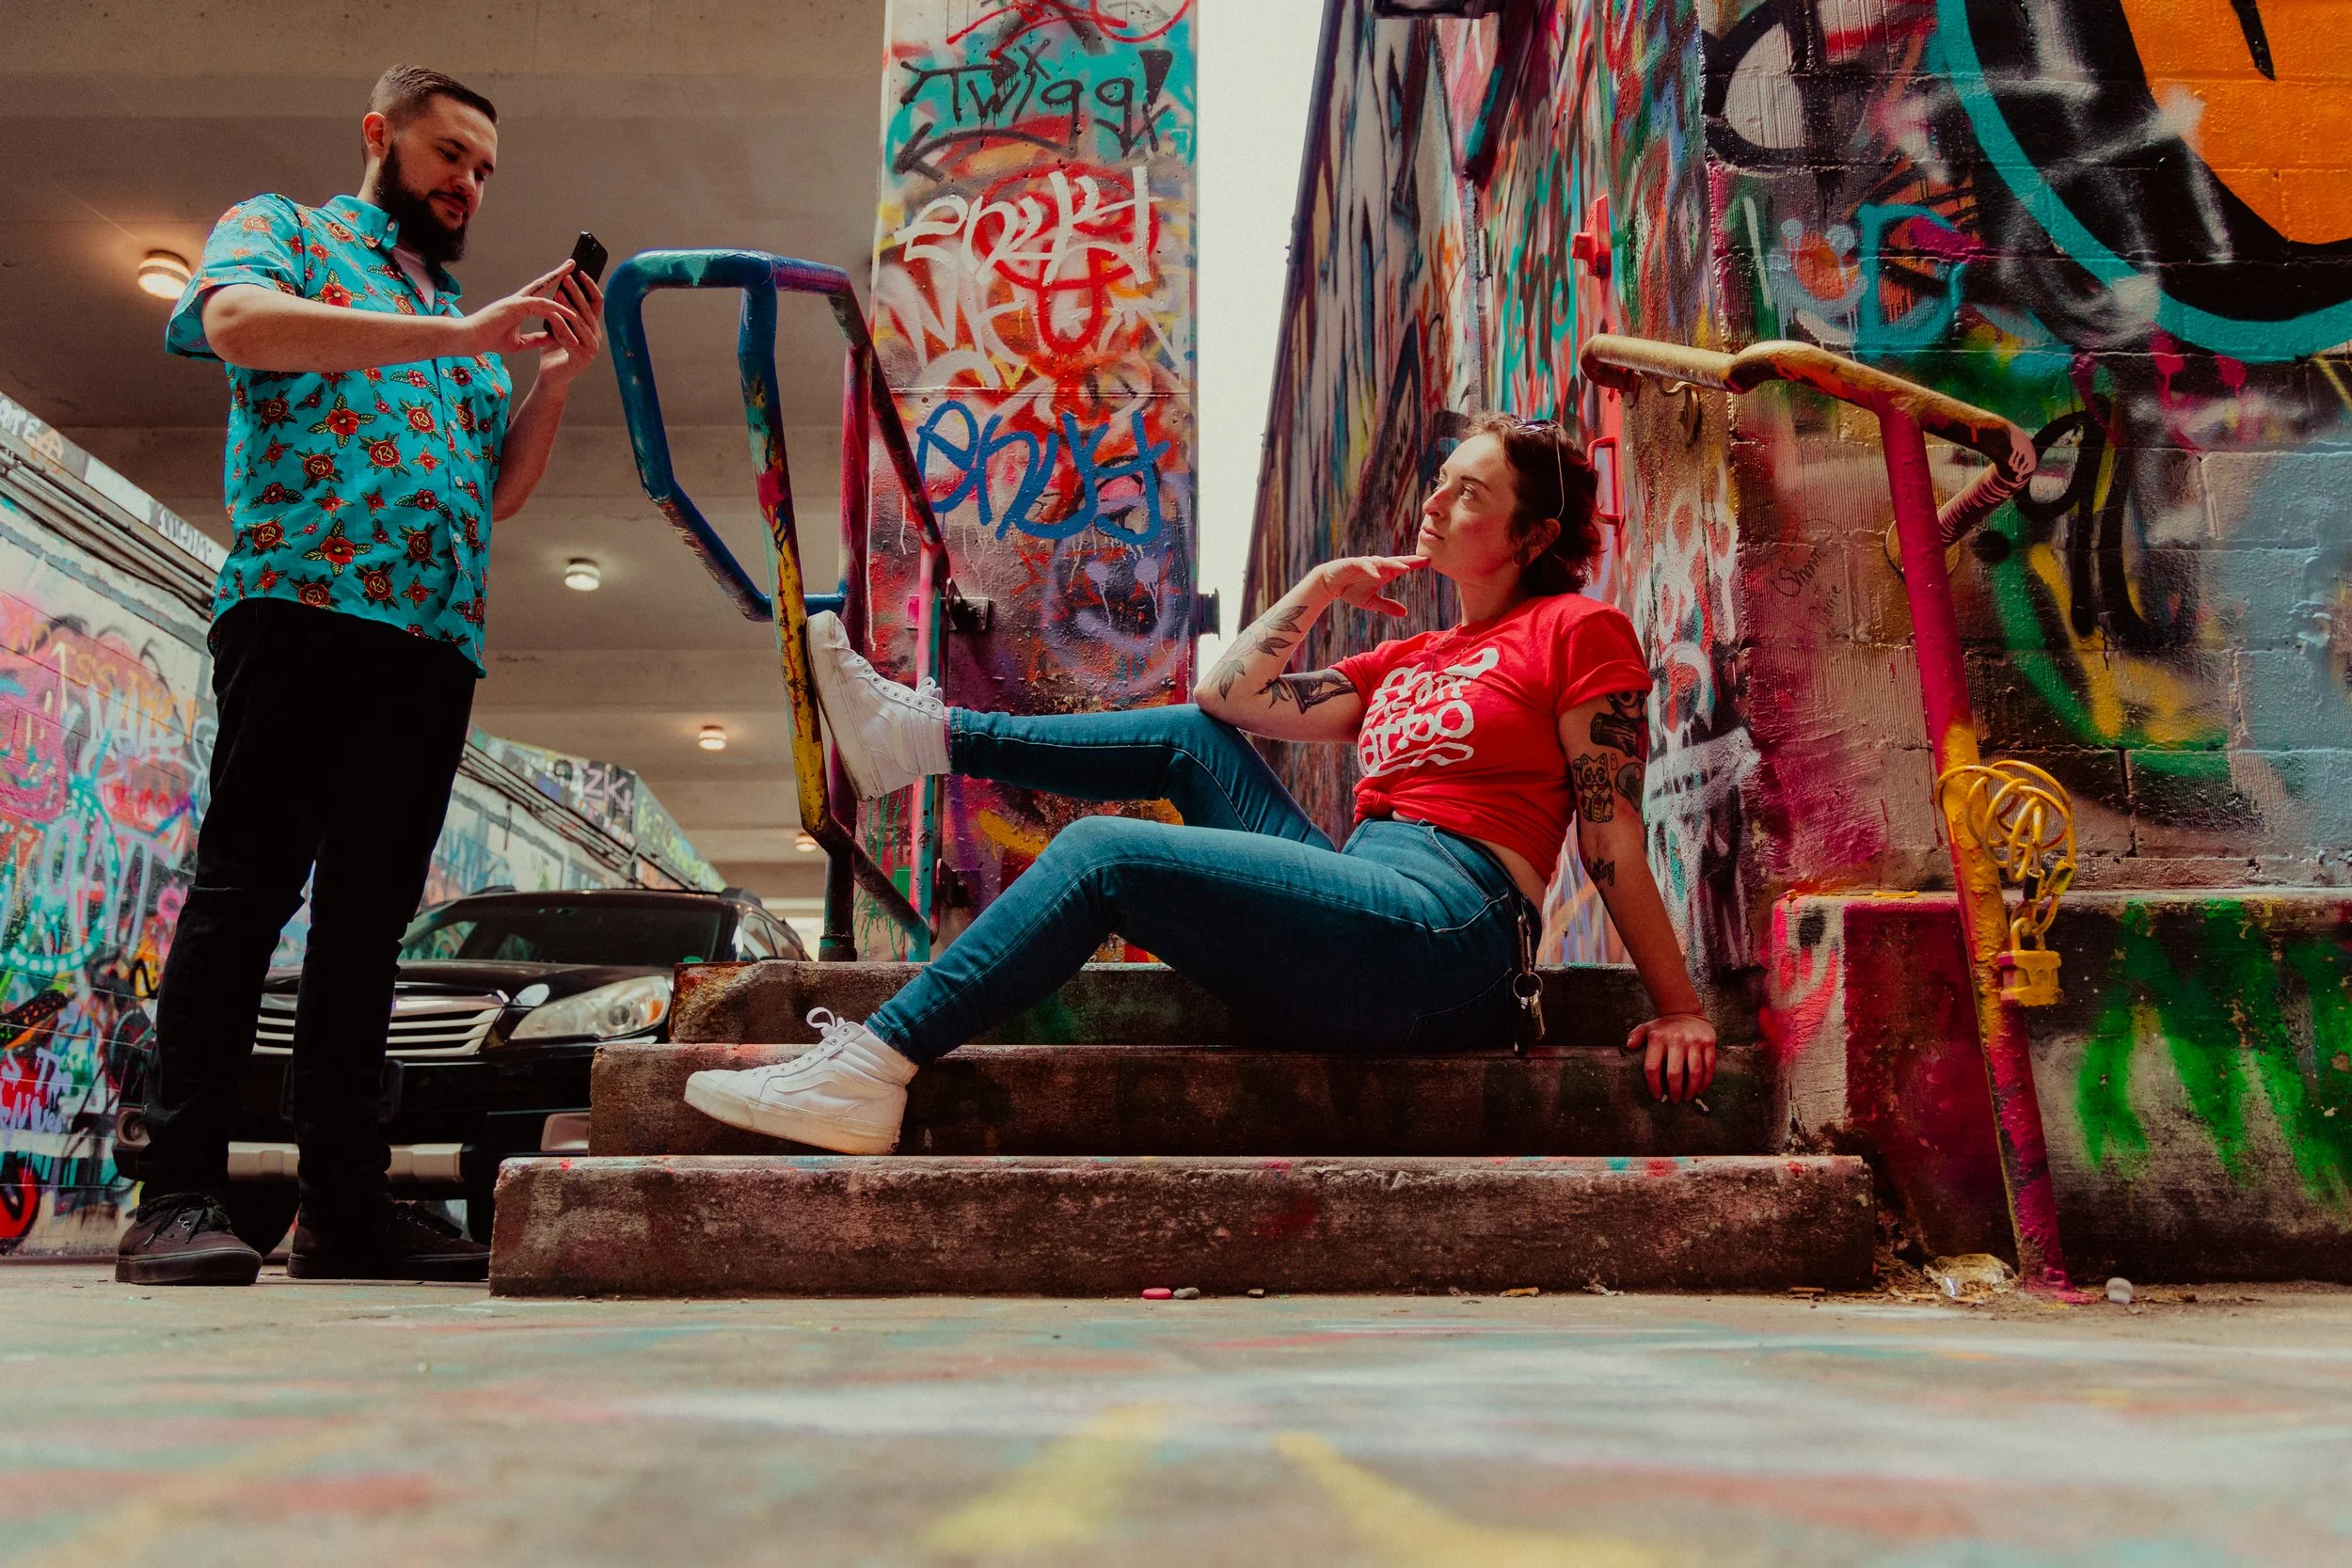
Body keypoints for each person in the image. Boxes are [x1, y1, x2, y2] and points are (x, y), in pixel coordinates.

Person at [682, 414, 1718, 1153]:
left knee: (1103, 853)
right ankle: (924, 738)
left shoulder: (1576, 629)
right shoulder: (1413, 656)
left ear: (1534, 537)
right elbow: (1228, 697)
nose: (1437, 503)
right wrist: (1318, 587)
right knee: (1183, 735)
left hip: (1454, 935)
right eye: (1441, 480)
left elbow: (1608, 832)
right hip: (1363, 893)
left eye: (1470, 494)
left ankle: (872, 1069)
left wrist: (1680, 1008)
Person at [118, 65, 605, 1286]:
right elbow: (231, 324)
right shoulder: (286, 230)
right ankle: (177, 1189)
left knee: (366, 933)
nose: (468, 185)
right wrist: (461, 332)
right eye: (450, 156)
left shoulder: (464, 326)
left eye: (485, 170)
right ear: (381, 136)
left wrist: (547, 382)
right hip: (300, 611)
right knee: (244, 896)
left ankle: (344, 1200)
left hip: (432, 644)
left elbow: (492, 494)